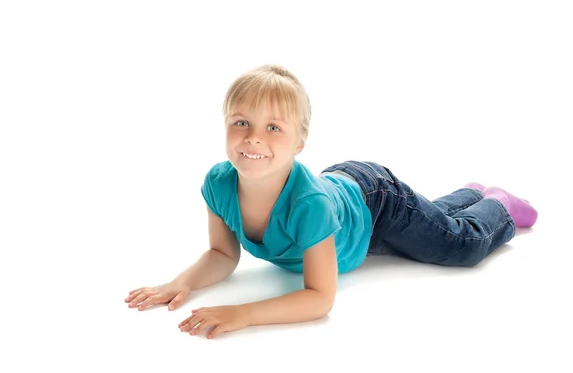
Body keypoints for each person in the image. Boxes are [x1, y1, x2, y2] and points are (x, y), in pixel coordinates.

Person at [124, 64, 538, 339]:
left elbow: (320, 298)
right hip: (346, 207)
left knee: (458, 247)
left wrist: (243, 314)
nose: (254, 138)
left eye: (273, 127)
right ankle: (469, 193)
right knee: (428, 225)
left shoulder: (308, 206)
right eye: (241, 123)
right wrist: (181, 283)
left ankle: (496, 203)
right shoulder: (218, 182)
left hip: (377, 202)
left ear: (300, 142)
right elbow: (221, 252)